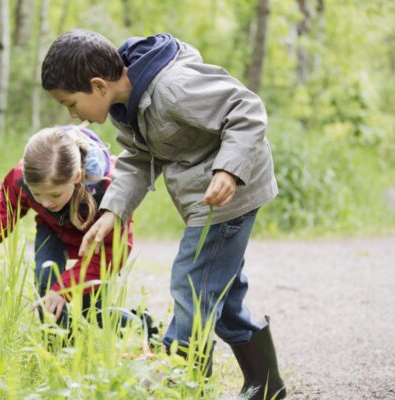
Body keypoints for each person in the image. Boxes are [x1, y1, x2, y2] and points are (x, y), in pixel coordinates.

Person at [41, 29, 286, 399]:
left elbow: (246, 109)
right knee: (219, 291)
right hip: (206, 198)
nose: (74, 116)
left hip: (231, 195)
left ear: (98, 85)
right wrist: (111, 212)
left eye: (71, 103)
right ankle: (266, 385)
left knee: (192, 281)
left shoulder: (173, 88)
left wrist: (229, 169)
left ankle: (181, 383)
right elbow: (139, 159)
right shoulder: (126, 106)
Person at [0, 125, 140, 332]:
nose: (45, 203)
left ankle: (139, 327)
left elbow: (112, 254)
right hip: (52, 231)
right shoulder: (25, 178)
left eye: (54, 195)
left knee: (93, 311)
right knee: (45, 278)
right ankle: (58, 342)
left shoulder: (109, 192)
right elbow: (9, 202)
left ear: (77, 177)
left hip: (97, 243)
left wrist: (65, 289)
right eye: (37, 195)